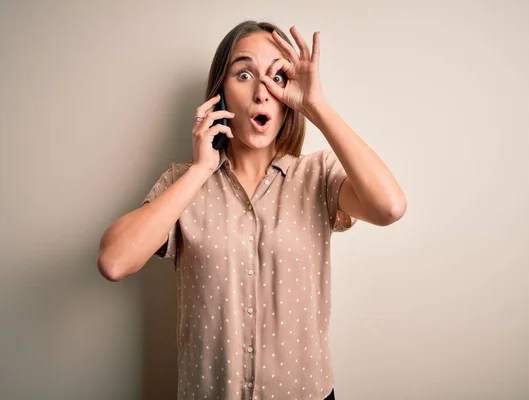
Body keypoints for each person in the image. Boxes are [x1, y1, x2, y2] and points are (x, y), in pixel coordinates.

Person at [98, 20, 406, 400]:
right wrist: (201, 169)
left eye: (277, 76)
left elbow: (390, 207)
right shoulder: (184, 182)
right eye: (243, 74)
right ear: (220, 93)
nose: (262, 92)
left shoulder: (318, 175)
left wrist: (317, 106)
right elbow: (114, 261)